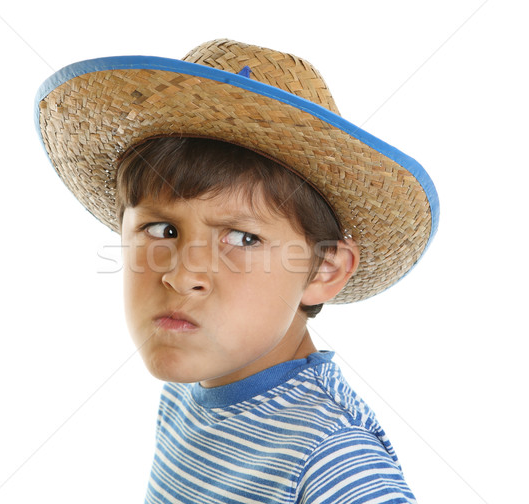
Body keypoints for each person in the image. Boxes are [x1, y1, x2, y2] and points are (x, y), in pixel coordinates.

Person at [35, 38, 439, 503]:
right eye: (162, 229)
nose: (183, 275)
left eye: (243, 239)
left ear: (324, 269)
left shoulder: (330, 457)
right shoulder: (188, 392)